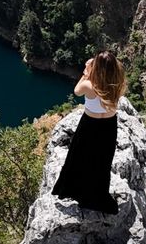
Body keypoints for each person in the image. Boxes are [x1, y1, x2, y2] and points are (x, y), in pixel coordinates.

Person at [51, 50, 127, 214]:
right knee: (101, 162)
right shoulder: (118, 85)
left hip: (89, 125)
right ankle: (97, 195)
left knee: (79, 158)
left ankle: (75, 191)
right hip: (108, 127)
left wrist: (86, 72)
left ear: (96, 69)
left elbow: (76, 91)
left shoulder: (89, 85)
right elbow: (115, 71)